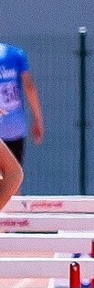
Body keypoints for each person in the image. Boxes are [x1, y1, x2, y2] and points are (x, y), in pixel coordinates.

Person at [0, 42, 40, 208]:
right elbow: (29, 86)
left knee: (12, 175)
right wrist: (38, 119)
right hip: (14, 125)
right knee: (13, 177)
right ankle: (10, 226)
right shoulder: (15, 54)